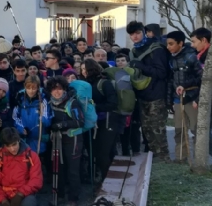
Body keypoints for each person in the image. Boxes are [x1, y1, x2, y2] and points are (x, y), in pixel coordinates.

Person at [127, 21, 170, 161]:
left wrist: (141, 66)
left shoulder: (156, 49)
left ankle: (163, 159)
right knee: (146, 130)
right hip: (142, 94)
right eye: (132, 34)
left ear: (144, 32)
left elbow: (162, 73)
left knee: (157, 129)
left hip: (156, 94)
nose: (135, 37)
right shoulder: (134, 51)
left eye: (138, 33)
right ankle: (154, 159)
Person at [46, 76, 84, 206]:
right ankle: (60, 195)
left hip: (72, 140)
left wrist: (62, 124)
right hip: (57, 139)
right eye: (54, 89)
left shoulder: (72, 103)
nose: (57, 92)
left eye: (60, 89)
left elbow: (80, 121)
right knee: (58, 168)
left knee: (72, 170)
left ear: (64, 89)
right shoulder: (49, 103)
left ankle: (73, 198)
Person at [82, 59, 121, 188]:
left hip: (108, 121)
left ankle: (107, 183)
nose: (82, 72)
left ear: (91, 70)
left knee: (104, 153)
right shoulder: (86, 84)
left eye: (84, 69)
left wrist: (93, 107)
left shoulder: (104, 83)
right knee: (98, 153)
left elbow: (113, 103)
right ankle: (104, 180)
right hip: (95, 123)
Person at [166, 31, 203, 162]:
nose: (168, 47)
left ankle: (199, 159)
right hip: (177, 99)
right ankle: (180, 157)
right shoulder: (170, 58)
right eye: (167, 44)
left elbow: (201, 77)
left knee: (195, 130)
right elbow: (170, 80)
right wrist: (169, 100)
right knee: (179, 130)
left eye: (171, 44)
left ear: (180, 43)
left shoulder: (192, 57)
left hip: (192, 98)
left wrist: (185, 86)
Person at [13, 75, 51, 157]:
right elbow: (15, 117)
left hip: (39, 140)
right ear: (25, 87)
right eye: (28, 88)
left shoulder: (43, 100)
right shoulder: (20, 99)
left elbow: (47, 119)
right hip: (24, 140)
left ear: (38, 88)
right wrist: (20, 128)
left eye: (34, 88)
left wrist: (42, 119)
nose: (31, 91)